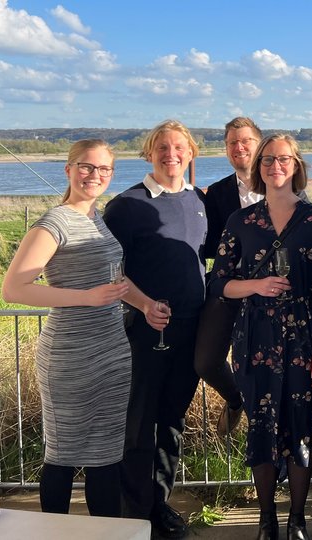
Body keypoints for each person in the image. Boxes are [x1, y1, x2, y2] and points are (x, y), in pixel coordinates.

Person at [207, 134, 312, 540]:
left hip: (302, 339)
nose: (274, 166)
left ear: (296, 165)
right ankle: (267, 521)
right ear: (258, 167)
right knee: (261, 427)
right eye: (267, 159)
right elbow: (219, 282)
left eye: (283, 159)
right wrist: (256, 285)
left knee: (300, 427)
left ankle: (297, 520)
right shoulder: (240, 221)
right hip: (254, 338)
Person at [2, 140, 133, 517]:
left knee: (107, 453)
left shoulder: (96, 217)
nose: (94, 175)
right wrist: (86, 297)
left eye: (103, 169)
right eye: (86, 167)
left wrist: (143, 303)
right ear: (69, 169)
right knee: (63, 453)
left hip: (111, 348)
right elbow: (14, 289)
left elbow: (111, 278)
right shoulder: (54, 222)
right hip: (70, 355)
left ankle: (106, 533)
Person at [104, 120, 207, 539]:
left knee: (171, 420)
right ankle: (136, 514)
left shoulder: (198, 200)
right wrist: (144, 304)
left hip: (191, 329)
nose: (171, 154)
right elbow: (110, 270)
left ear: (191, 153)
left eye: (179, 147)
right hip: (146, 330)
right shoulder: (126, 206)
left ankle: (159, 505)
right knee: (140, 422)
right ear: (149, 153)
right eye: (162, 147)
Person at [198, 116, 263, 437]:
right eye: (232, 143)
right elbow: (206, 244)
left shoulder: (283, 184)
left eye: (246, 141)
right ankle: (236, 399)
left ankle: (265, 437)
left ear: (259, 144)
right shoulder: (216, 193)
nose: (239, 147)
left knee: (260, 366)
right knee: (206, 361)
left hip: (271, 293)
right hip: (228, 288)